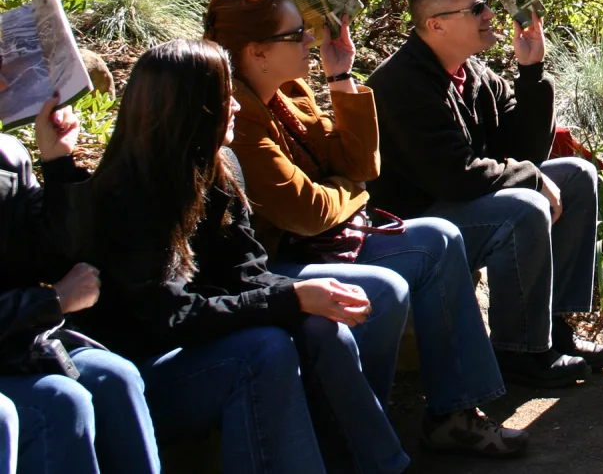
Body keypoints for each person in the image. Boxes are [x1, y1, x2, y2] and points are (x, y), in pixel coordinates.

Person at [204, 0, 526, 457]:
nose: (311, 39)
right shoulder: (239, 116)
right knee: (384, 286)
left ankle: (455, 412)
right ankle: (356, 437)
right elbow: (308, 213)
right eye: (295, 35)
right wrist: (350, 193)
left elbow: (360, 165)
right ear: (256, 51)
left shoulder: (288, 89)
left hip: (326, 240)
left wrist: (340, 78)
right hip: (278, 263)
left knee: (436, 239)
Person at [76, 39, 410, 474]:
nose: (235, 105)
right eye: (223, 95)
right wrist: (290, 299)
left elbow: (248, 271)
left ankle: (381, 466)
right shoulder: (130, 194)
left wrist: (304, 294)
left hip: (204, 341)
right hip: (148, 372)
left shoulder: (220, 166)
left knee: (323, 327)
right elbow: (171, 317)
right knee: (264, 349)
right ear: (191, 107)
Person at [367, 0, 603, 388]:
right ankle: (520, 350)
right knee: (525, 205)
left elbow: (526, 148)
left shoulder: (472, 73)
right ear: (436, 25)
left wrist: (531, 71)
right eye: (476, 8)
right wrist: (532, 180)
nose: (489, 15)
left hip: (460, 205)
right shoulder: (401, 84)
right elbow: (454, 176)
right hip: (415, 225)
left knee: (576, 175)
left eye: (485, 5)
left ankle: (554, 329)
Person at [0, 102, 159, 474]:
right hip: (15, 340)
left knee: (115, 377)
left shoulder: (8, 156)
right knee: (60, 401)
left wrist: (57, 164)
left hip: (18, 344)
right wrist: (51, 300)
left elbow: (54, 255)